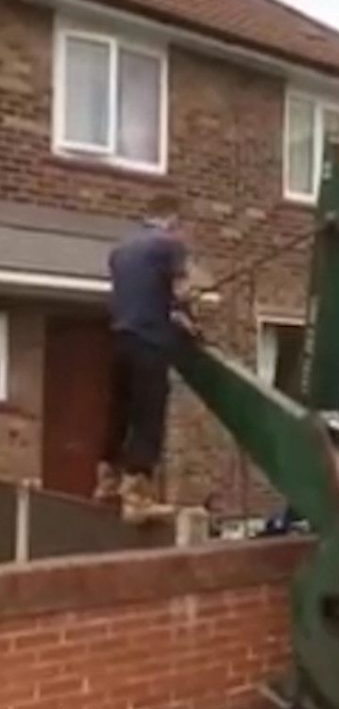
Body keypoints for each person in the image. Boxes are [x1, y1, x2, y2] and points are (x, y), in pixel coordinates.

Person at [93, 194, 198, 525]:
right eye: (181, 226)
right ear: (172, 220)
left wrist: (169, 309)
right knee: (148, 415)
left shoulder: (121, 251)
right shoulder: (169, 245)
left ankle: (106, 481)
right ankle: (136, 496)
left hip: (120, 339)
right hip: (149, 342)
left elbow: (142, 294)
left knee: (119, 413)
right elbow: (182, 291)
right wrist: (189, 312)